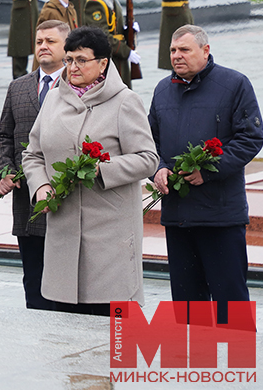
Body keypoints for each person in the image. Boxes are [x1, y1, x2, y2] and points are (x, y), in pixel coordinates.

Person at [22, 26, 158, 315]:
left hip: (110, 234)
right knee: (65, 326)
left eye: (81, 60)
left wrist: (103, 169)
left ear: (103, 63)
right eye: (69, 59)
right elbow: (32, 154)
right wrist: (41, 186)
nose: (73, 67)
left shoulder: (125, 101)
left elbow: (148, 159)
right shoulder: (54, 99)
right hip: (63, 227)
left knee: (108, 331)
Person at [147, 25, 263, 323]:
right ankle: (193, 361)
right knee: (187, 306)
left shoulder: (234, 84)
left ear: (205, 50)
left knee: (231, 302)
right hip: (178, 214)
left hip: (220, 214)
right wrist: (158, 169)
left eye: (184, 50)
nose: (177, 56)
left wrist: (209, 171)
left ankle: (237, 364)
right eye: (173, 50)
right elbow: (149, 141)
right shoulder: (162, 90)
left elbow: (250, 137)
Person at [0, 20, 70, 310]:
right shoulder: (19, 87)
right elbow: (3, 136)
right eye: (39, 42)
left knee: (63, 276)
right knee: (33, 275)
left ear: (66, 47)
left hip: (65, 197)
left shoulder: (77, 85)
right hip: (26, 200)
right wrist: (4, 171)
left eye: (50, 41)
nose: (43, 47)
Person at [83, 0, 140, 89]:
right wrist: (126, 52)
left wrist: (128, 31)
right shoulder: (95, 4)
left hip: (117, 57)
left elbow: (114, 28)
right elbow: (101, 37)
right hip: (109, 59)